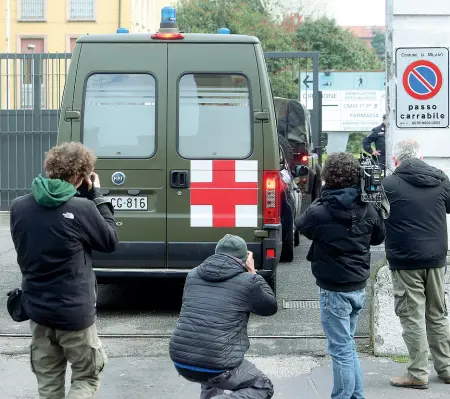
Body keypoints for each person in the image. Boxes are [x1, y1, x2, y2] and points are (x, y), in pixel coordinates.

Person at [9, 142, 118, 398]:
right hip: (74, 314)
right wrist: (98, 197)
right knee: (86, 377)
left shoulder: (19, 207)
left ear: (50, 169)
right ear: (81, 176)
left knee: (48, 384)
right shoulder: (82, 209)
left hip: (37, 310)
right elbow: (110, 241)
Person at [295, 152, 386, 399]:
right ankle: (356, 396)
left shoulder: (321, 210)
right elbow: (378, 237)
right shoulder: (368, 207)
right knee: (347, 346)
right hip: (357, 286)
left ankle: (343, 397)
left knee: (341, 349)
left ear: (327, 177)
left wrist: (320, 196)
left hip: (333, 289)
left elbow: (301, 226)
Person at [169, 234, 278, 399]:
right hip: (217, 364)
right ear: (245, 259)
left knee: (210, 371)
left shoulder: (193, 275)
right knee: (262, 387)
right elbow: (270, 307)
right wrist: (253, 272)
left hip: (182, 360)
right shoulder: (248, 281)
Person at [382, 140, 450, 390]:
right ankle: (447, 368)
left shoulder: (388, 184)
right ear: (421, 157)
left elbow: (375, 215)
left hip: (405, 259)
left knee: (412, 317)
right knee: (437, 314)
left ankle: (418, 373)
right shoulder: (441, 180)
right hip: (436, 259)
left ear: (396, 161)